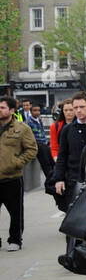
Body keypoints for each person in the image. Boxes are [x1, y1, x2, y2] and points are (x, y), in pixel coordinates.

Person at [0, 97, 38, 252]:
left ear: (11, 110)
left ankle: (15, 239)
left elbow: (32, 150)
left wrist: (16, 162)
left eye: (2, 107)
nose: (0, 110)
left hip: (12, 177)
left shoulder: (22, 128)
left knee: (16, 212)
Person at [51, 92, 86, 210]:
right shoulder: (67, 130)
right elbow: (62, 155)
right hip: (73, 180)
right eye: (76, 108)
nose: (78, 111)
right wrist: (59, 178)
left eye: (82, 107)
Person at [27, 103, 53, 179]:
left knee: (51, 160)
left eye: (38, 110)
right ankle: (50, 178)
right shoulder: (29, 122)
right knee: (45, 162)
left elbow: (42, 132)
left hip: (43, 143)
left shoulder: (39, 120)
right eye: (35, 110)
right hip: (36, 144)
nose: (37, 112)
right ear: (31, 112)